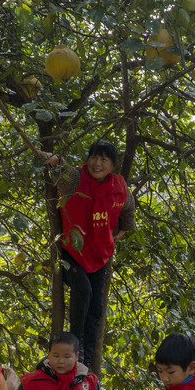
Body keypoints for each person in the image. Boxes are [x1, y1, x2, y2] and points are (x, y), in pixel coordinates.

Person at [56, 140, 136, 367]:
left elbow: (128, 206)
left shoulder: (119, 187)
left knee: (96, 310)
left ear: (113, 165)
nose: (97, 163)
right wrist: (54, 161)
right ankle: (75, 347)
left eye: (104, 159)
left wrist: (124, 226)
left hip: (100, 256)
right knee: (83, 289)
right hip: (73, 253)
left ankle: (87, 358)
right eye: (94, 157)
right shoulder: (77, 179)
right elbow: (63, 172)